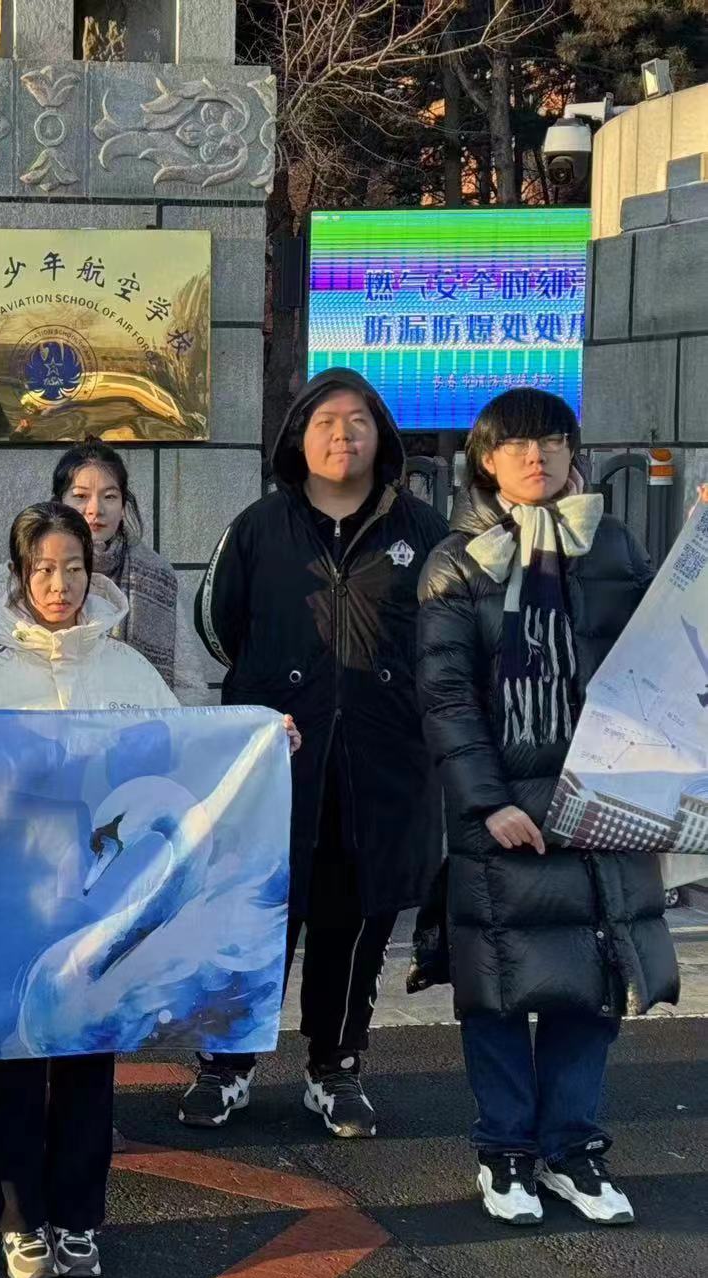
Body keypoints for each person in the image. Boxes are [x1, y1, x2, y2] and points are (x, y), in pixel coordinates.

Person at [0, 503, 300, 1278]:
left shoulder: (128, 670)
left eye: (73, 567)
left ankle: (78, 1216)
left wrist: (260, 740)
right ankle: (18, 1219)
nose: (59, 584)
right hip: (17, 904)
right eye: (42, 569)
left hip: (104, 903)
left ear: (95, 570)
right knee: (11, 1062)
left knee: (87, 1059)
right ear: (17, 577)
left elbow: (188, 754)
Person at [416, 389, 678, 1227]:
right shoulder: (456, 562)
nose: (536, 457)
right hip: (505, 813)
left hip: (602, 800)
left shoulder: (612, 543)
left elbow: (665, 653)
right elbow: (446, 698)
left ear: (572, 452)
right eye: (516, 445)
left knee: (591, 983)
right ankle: (503, 1153)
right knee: (498, 990)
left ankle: (572, 1149)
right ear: (485, 460)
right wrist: (486, 802)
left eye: (551, 441)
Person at [187, 367, 449, 1137]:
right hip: (276, 763)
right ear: (297, 437)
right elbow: (218, 626)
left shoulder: (423, 532)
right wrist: (273, 693)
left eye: (357, 420)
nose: (342, 435)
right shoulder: (256, 527)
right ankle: (225, 1063)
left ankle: (334, 1065)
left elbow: (451, 638)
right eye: (325, 421)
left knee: (355, 919)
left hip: (381, 760)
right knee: (252, 913)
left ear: (381, 436)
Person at [0, 442, 181, 689]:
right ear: (59, 502)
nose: (95, 510)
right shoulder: (16, 580)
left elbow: (186, 680)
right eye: (80, 496)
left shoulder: (156, 577)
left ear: (123, 506)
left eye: (110, 496)